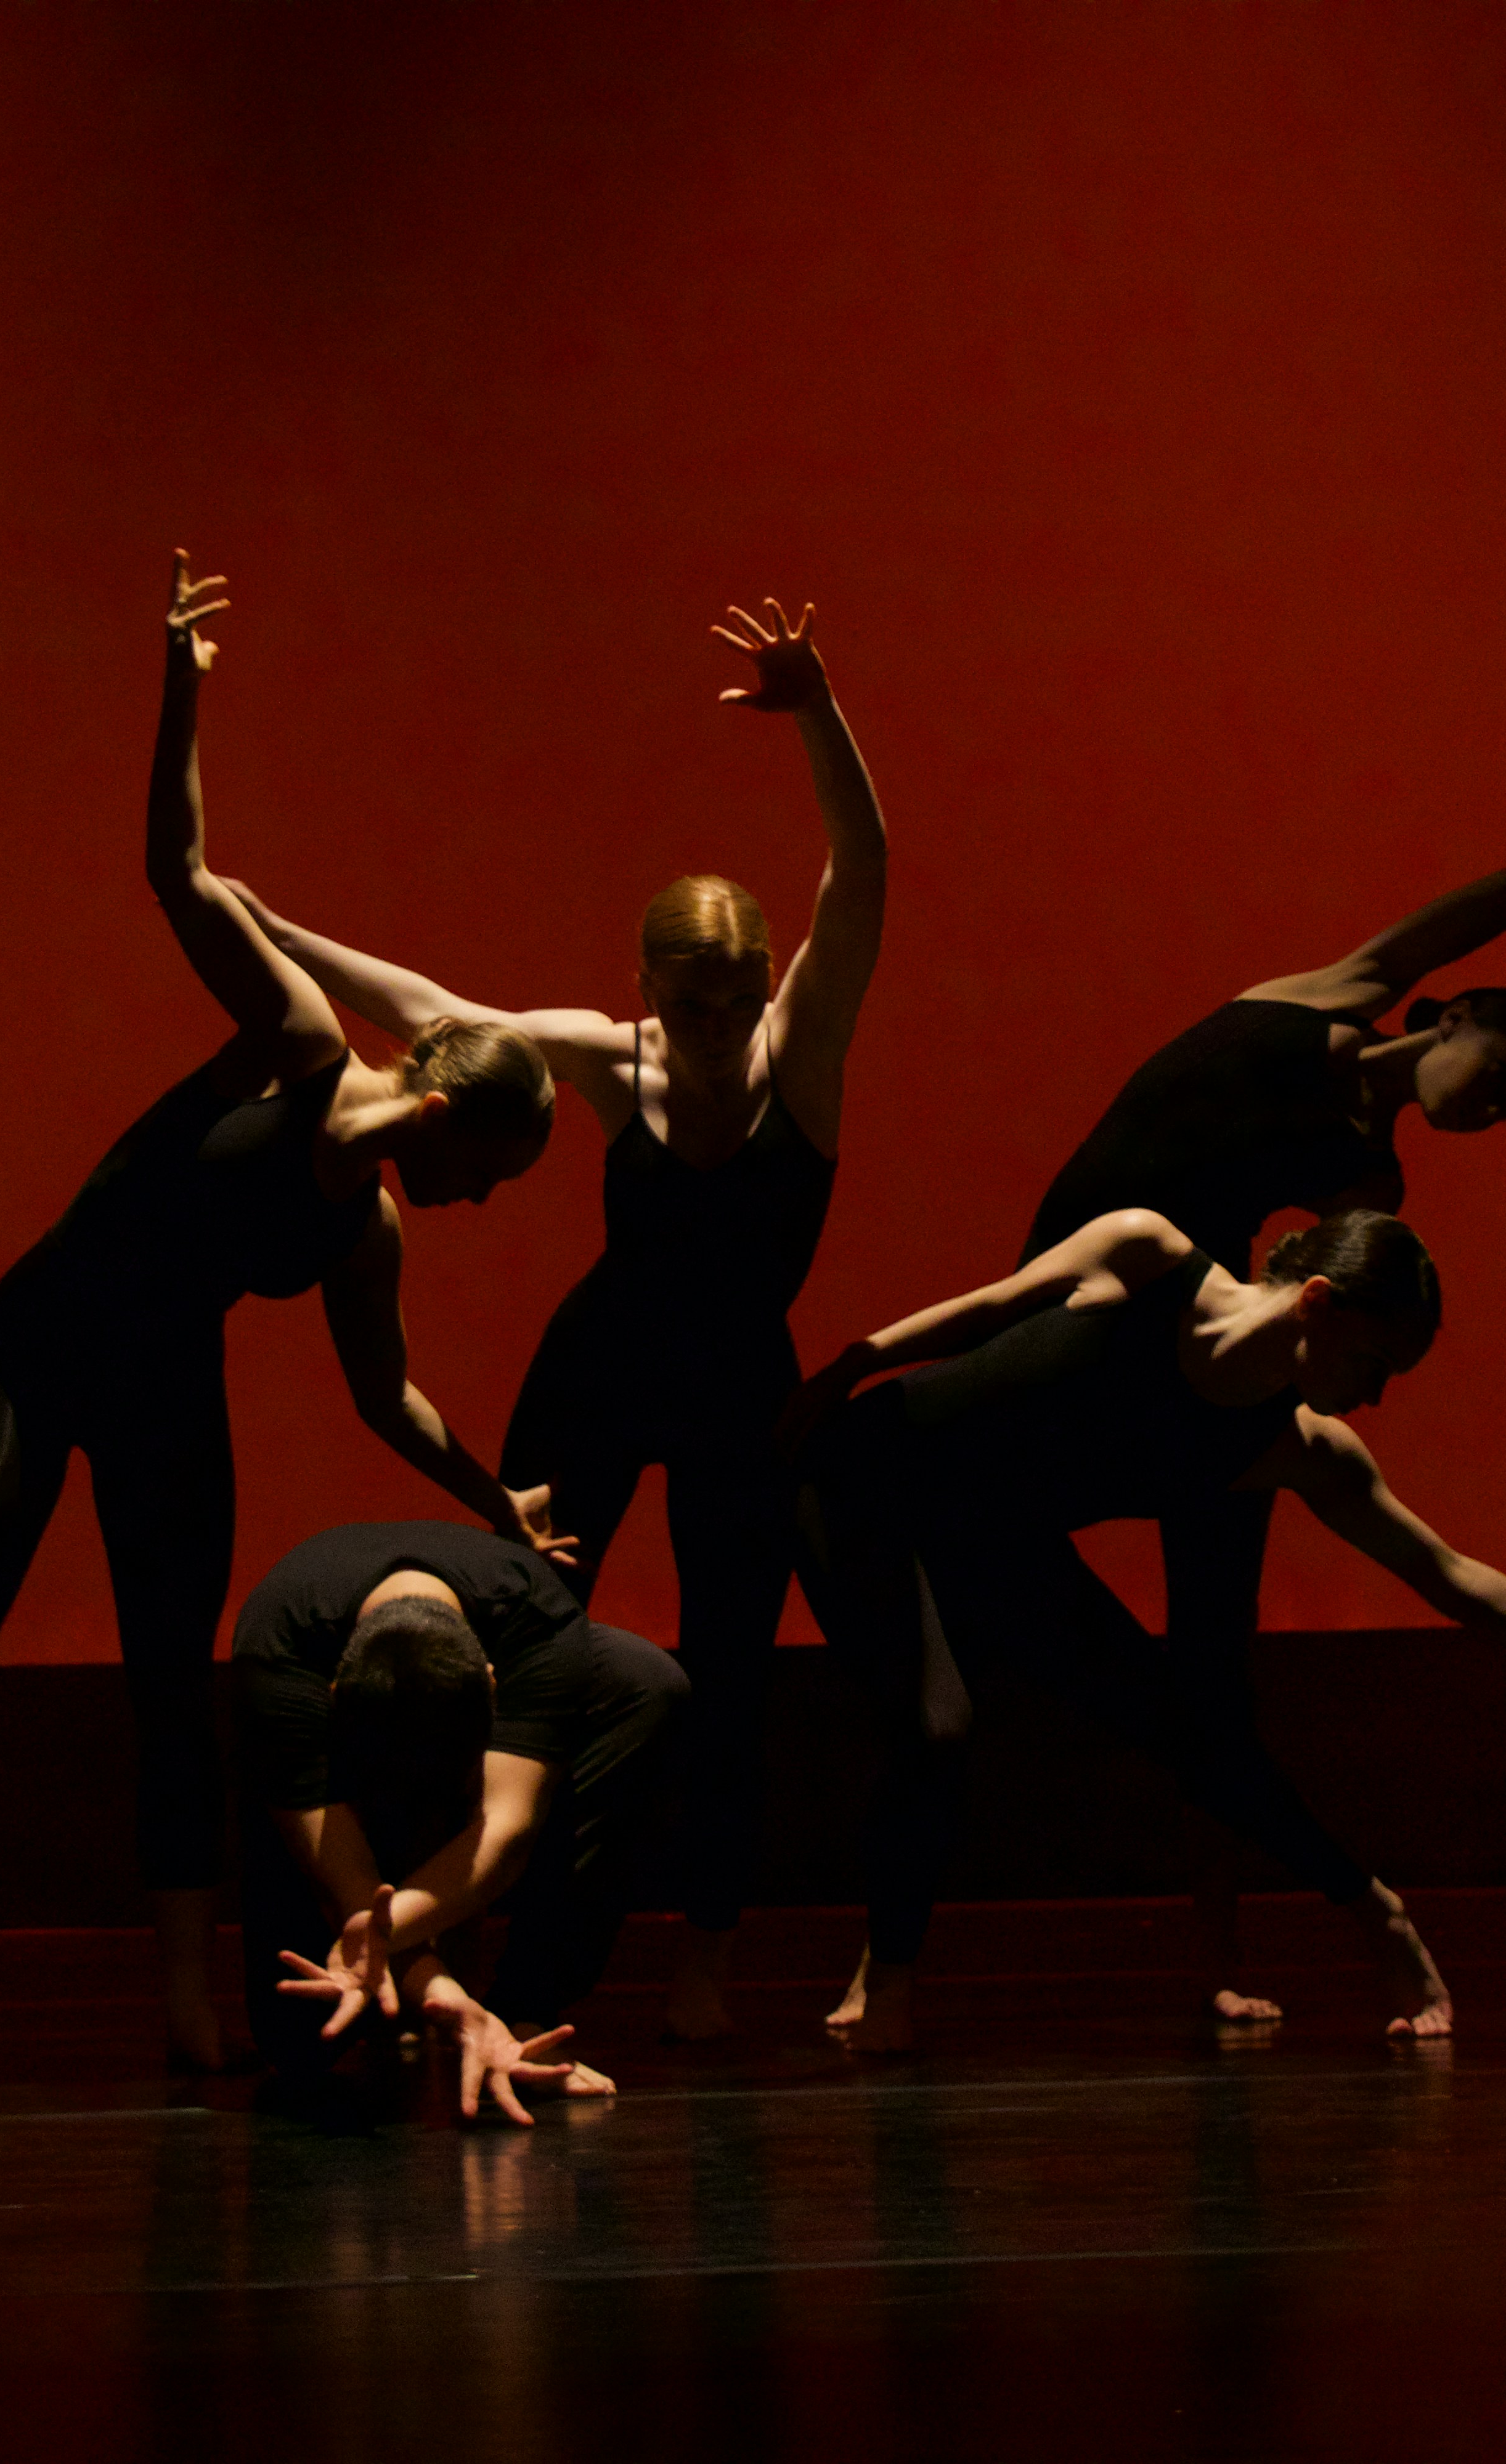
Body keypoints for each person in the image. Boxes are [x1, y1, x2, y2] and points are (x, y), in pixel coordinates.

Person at [0, 558, 567, 2086]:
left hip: (165, 1382)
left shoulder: (365, 1223)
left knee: (176, 1691)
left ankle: (183, 2006)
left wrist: (494, 1495)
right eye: (486, 1174)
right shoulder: (291, 1047)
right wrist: (181, 691)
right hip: (38, 1345)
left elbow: (386, 1397)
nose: (480, 1205)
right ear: (436, 1106)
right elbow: (179, 871)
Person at [237, 598, 887, 2041]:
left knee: (726, 1674)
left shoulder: (806, 1059)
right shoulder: (615, 1061)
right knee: (517, 1629)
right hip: (600, 1369)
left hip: (739, 1394)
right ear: (645, 989)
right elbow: (435, 1010)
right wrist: (274, 931)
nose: (719, 1028)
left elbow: (864, 876)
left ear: (767, 983)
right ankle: (452, 1927)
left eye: (739, 999)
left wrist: (817, 714)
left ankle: (703, 1957)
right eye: (692, 1003)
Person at [1025, 847, 1506, 2022]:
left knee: (1216, 1661)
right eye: (1503, 1071)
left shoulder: (1371, 1188)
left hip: (1187, 1349)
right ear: (1452, 1015)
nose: (1496, 1106)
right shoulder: (1338, 995)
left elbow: (1316, 1308)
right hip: (1065, 1293)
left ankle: (1221, 1954)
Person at [782, 1204, 1506, 2053]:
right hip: (860, 1480)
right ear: (1318, 1302)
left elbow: (1447, 1575)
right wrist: (842, 1371)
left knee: (1186, 1729)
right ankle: (889, 1992)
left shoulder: (1299, 1448)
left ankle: (1378, 1913)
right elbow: (990, 1308)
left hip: (991, 1537)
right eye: (1375, 1364)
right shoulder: (1147, 1254)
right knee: (936, 1728)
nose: (1375, 1396)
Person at [234, 1520, 685, 2124]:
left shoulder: (537, 1621)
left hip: (481, 1715)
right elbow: (343, 1881)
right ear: (335, 1695)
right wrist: (445, 1994)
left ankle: (530, 2006)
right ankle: (392, 2007)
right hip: (340, 1781)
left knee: (645, 1682)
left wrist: (395, 1952)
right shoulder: (278, 1652)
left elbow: (505, 1834)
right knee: (301, 2041)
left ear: (494, 1688)